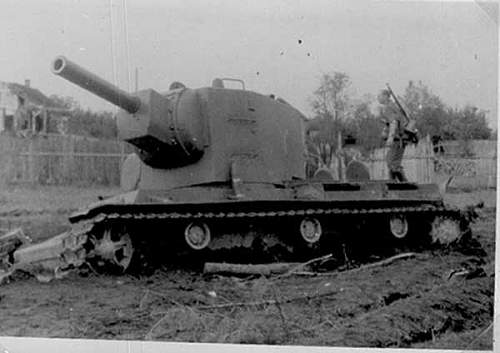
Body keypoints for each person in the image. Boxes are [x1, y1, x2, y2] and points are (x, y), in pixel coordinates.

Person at [378, 89, 418, 182]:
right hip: (402, 138)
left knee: (391, 162)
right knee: (393, 163)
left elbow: (394, 122)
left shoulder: (388, 108)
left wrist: (390, 138)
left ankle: (402, 184)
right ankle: (397, 184)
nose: (378, 98)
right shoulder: (394, 106)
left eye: (379, 96)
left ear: (385, 96)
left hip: (397, 139)